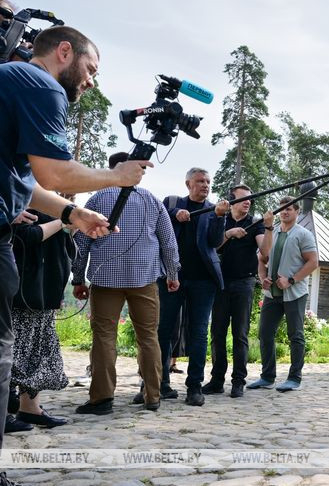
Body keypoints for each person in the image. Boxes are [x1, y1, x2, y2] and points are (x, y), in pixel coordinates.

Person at [0, 25, 149, 484]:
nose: (91, 81)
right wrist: (117, 176)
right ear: (64, 51)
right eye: (91, 68)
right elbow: (55, 172)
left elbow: (28, 183)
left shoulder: (12, 81)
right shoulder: (41, 83)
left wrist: (71, 214)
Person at [70, 152, 180, 414]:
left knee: (104, 337)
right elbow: (168, 242)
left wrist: (78, 278)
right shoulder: (151, 200)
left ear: (111, 169)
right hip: (144, 279)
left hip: (105, 279)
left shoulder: (97, 200)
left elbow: (81, 243)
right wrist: (173, 274)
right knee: (148, 337)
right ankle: (153, 396)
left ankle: (102, 399)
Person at [158, 168, 229, 406]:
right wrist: (176, 213)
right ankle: (159, 383)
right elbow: (159, 217)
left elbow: (215, 242)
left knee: (199, 333)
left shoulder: (213, 210)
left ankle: (194, 386)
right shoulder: (173, 203)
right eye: (200, 181)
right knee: (164, 330)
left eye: (208, 181)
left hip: (203, 281)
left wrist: (219, 217)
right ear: (188, 184)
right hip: (172, 278)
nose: (205, 185)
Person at [8, 206, 75, 430]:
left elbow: (66, 247)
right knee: (15, 353)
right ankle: (6, 412)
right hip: (23, 289)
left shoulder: (53, 204)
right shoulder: (19, 199)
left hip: (44, 288)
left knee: (38, 350)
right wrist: (63, 221)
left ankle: (30, 408)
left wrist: (69, 225)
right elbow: (27, 236)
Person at [202, 184, 267, 398]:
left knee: (240, 334)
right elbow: (212, 246)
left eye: (250, 199)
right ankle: (217, 380)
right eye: (243, 198)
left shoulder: (255, 223)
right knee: (217, 333)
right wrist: (229, 233)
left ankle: (238, 381)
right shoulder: (221, 219)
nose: (248, 202)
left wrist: (268, 228)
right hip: (220, 282)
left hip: (244, 283)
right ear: (231, 201)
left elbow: (265, 253)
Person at [248, 196, 318, 392]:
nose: (284, 212)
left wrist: (292, 280)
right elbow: (262, 259)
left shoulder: (303, 234)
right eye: (282, 209)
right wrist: (263, 278)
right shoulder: (273, 232)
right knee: (264, 333)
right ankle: (267, 377)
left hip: (294, 293)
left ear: (297, 212)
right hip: (272, 294)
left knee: (295, 335)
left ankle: (294, 378)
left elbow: (313, 262)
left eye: (289, 209)